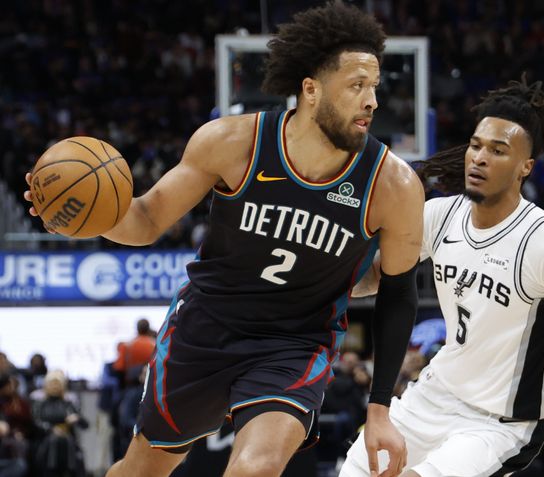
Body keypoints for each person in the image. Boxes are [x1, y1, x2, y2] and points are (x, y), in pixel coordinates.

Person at [24, 2, 424, 477]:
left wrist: (379, 409)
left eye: (375, 86)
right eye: (357, 85)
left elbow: (398, 292)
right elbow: (146, 218)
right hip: (205, 330)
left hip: (293, 344)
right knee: (139, 470)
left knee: (256, 468)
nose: (372, 101)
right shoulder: (233, 143)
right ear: (311, 89)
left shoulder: (393, 185)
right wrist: (78, 218)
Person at [340, 78, 544, 477]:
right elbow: (377, 274)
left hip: (499, 423)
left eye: (498, 150)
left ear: (525, 167)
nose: (480, 158)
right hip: (434, 394)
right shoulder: (439, 215)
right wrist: (330, 276)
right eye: (476, 146)